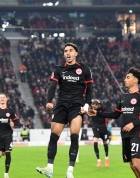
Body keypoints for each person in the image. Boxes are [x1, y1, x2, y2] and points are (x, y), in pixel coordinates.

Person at [36, 42, 93, 178]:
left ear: (76, 53)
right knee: (53, 136)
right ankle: (49, 168)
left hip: (76, 106)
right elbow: (52, 86)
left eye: (70, 50)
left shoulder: (84, 69)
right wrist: (49, 101)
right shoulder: (59, 69)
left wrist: (86, 105)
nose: (67, 53)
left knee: (74, 135)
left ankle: (70, 171)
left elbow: (90, 90)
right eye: (65, 51)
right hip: (61, 105)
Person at [88, 67, 140, 178]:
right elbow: (115, 114)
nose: (125, 80)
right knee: (132, 165)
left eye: (128, 77)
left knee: (137, 164)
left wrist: (133, 124)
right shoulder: (123, 97)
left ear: (135, 80)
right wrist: (97, 113)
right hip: (125, 134)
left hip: (136, 132)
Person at [0, 92, 19, 178]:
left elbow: (17, 121)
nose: (2, 99)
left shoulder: (10, 111)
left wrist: (13, 123)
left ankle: (6, 174)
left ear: (6, 99)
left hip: (8, 134)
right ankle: (2, 150)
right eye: (0, 97)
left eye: (3, 97)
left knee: (8, 153)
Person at [90, 99, 110, 167]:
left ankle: (106, 158)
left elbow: (104, 107)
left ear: (98, 105)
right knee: (95, 143)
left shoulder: (103, 109)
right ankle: (98, 160)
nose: (93, 108)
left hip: (103, 128)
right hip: (95, 127)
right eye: (92, 106)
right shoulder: (92, 110)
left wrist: (99, 102)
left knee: (105, 143)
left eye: (95, 106)